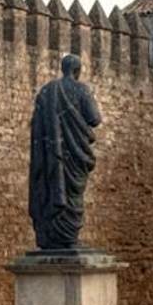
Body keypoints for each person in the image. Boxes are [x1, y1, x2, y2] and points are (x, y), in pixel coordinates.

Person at [28, 54, 102, 249]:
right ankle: (68, 238)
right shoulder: (81, 90)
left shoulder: (46, 92)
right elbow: (94, 118)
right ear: (77, 71)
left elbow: (37, 127)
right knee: (73, 196)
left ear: (62, 69)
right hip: (75, 156)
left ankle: (53, 237)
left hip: (51, 157)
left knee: (53, 189)